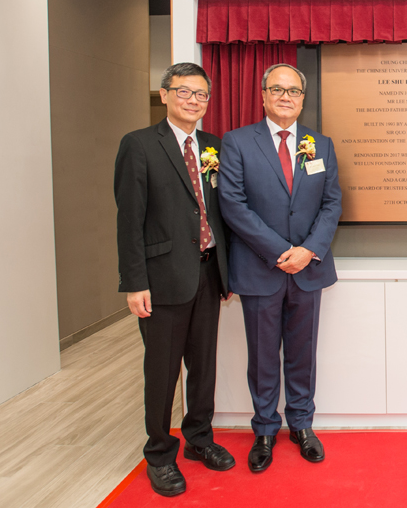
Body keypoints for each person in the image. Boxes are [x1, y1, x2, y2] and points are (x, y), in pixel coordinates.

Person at [114, 62, 235, 497]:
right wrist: (134, 282)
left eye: (201, 95)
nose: (193, 101)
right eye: (184, 92)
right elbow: (129, 220)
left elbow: (223, 215)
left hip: (208, 272)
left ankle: (199, 440)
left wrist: (229, 271)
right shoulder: (140, 145)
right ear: (164, 94)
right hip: (162, 278)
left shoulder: (213, 146)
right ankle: (160, 453)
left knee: (203, 367)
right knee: (163, 372)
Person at [218, 63, 342, 472]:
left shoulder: (319, 145)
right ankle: (265, 430)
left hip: (308, 271)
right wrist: (280, 250)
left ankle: (302, 425)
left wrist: (307, 250)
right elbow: (233, 205)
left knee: (303, 355)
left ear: (302, 99)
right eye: (277, 89)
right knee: (263, 356)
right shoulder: (236, 143)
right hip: (260, 269)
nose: (285, 96)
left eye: (293, 91)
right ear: (264, 95)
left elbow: (331, 204)